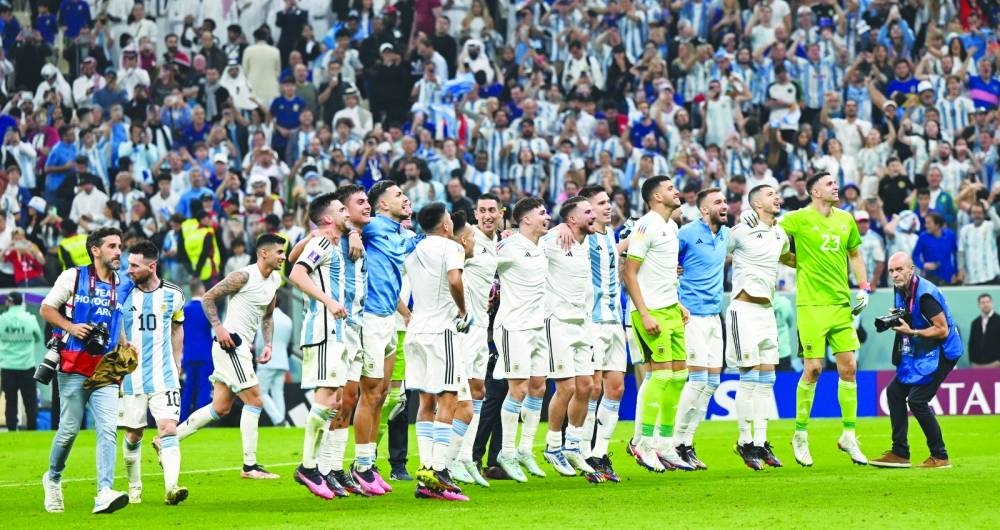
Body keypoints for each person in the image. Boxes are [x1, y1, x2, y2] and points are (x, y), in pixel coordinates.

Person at [747, 171, 871, 467]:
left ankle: (849, 436)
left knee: (849, 367)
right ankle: (800, 434)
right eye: (829, 183)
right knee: (813, 369)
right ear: (815, 191)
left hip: (840, 304)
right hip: (811, 305)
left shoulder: (845, 219)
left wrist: (863, 286)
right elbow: (772, 238)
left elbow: (854, 253)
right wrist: (794, 257)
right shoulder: (798, 218)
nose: (835, 186)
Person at [175, 233, 286, 480]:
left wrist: (267, 343)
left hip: (244, 347)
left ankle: (168, 440)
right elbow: (208, 297)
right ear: (264, 253)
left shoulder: (274, 279)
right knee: (255, 401)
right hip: (230, 345)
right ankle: (250, 466)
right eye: (279, 252)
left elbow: (267, 316)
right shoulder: (243, 276)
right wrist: (219, 327)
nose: (283, 257)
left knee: (220, 407)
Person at [40, 227, 130, 514]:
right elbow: (46, 309)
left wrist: (126, 345)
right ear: (96, 250)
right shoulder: (73, 276)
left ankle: (104, 491)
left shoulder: (121, 283)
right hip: (73, 366)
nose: (119, 251)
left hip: (104, 370)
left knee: (108, 430)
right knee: (68, 431)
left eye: (120, 246)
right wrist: (71, 327)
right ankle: (52, 479)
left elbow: (118, 319)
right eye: (113, 246)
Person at [351, 181, 418, 495]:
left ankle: (366, 464)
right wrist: (353, 232)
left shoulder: (396, 232)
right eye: (398, 195)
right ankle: (359, 466)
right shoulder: (373, 225)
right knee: (368, 393)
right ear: (381, 205)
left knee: (381, 395)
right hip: (371, 317)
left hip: (390, 318)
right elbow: (346, 224)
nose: (405, 198)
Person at [622, 176, 693, 472]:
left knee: (679, 377)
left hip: (670, 310)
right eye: (669, 188)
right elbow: (630, 272)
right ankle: (643, 444)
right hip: (649, 313)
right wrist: (645, 313)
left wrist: (677, 303)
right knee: (661, 377)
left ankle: (665, 444)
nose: (676, 192)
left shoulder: (671, 226)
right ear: (655, 197)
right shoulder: (646, 225)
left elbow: (659, 272)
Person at [406, 203, 474, 501]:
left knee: (425, 402)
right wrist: (463, 310)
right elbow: (455, 280)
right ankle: (439, 469)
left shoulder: (414, 249)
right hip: (441, 331)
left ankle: (425, 472)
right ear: (446, 225)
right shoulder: (451, 247)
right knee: (449, 399)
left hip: (415, 330)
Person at [870, 252, 963, 469]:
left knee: (917, 400)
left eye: (899, 269)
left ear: (912, 269)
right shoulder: (901, 288)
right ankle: (900, 452)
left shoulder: (925, 295)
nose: (894, 274)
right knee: (894, 393)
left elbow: (942, 330)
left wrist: (911, 331)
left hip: (943, 350)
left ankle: (940, 456)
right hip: (920, 349)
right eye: (891, 270)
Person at [286, 192, 350, 500]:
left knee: (334, 401)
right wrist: (329, 301)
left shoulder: (331, 242)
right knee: (326, 399)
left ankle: (318, 469)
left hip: (335, 329)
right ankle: (308, 466)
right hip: (323, 328)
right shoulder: (323, 242)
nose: (346, 212)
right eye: (341, 209)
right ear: (327, 218)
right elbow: (296, 273)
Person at [728, 185, 795, 470]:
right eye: (770, 195)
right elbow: (720, 249)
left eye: (777, 194)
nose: (777, 197)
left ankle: (761, 441)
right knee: (748, 377)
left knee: (767, 379)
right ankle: (745, 442)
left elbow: (789, 258)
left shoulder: (780, 234)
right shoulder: (742, 230)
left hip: (767, 311)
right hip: (743, 310)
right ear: (756, 203)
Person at [117, 241, 188, 505]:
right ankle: (134, 486)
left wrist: (177, 361)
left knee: (168, 428)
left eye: (134, 265)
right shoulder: (123, 295)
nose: (129, 270)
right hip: (132, 377)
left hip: (165, 376)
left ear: (151, 266)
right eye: (128, 264)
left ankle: (172, 487)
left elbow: (177, 328)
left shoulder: (174, 294)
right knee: (133, 434)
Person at [539, 197, 600, 480]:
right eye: (587, 211)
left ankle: (574, 444)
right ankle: (553, 445)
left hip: (582, 323)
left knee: (586, 386)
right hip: (558, 323)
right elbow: (524, 238)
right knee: (565, 388)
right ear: (572, 219)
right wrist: (557, 225)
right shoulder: (553, 238)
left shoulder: (588, 242)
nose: (594, 214)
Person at [494, 196, 552, 483]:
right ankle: (505, 452)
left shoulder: (545, 244)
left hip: (538, 326)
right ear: (526, 219)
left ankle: (525, 449)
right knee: (517, 389)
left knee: (538, 387)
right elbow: (478, 264)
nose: (548, 217)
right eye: (542, 213)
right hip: (513, 326)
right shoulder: (509, 246)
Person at [671, 187, 729, 471]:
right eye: (718, 202)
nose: (724, 205)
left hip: (714, 317)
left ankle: (687, 442)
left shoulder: (726, 235)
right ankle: (675, 443)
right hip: (690, 316)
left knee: (712, 383)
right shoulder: (686, 233)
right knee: (696, 381)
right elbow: (664, 263)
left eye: (725, 201)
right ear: (704, 209)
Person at [577, 185, 628, 481]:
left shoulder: (609, 234)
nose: (608, 206)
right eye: (601, 203)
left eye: (609, 201)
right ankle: (584, 453)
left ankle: (600, 451)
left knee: (616, 388)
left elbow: (615, 256)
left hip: (614, 321)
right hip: (593, 321)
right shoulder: (578, 236)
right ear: (586, 209)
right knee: (593, 387)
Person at [452, 192, 500, 487]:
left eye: (492, 210)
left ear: (500, 212)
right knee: (463, 393)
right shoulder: (466, 239)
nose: (487, 215)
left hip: (483, 327)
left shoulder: (498, 243)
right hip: (466, 327)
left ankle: (467, 457)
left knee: (479, 389)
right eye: (481, 210)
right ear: (475, 213)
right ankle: (451, 459)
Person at [0, 291, 43, 431]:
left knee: (10, 401)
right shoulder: (30, 318)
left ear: (9, 302)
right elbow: (37, 337)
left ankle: (12, 430)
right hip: (27, 366)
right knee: (30, 402)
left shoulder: (2, 319)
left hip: (8, 366)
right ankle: (32, 431)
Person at [180, 280, 213, 420]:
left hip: (188, 354)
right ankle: (200, 419)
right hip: (205, 354)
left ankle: (182, 418)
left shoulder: (184, 310)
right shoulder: (208, 309)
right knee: (204, 386)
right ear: (202, 290)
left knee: (188, 387)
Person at [256, 304, 292, 427]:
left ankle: (278, 420)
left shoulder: (265, 318)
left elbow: (260, 341)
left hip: (267, 360)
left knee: (260, 392)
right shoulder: (287, 319)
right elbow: (288, 342)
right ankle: (281, 423)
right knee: (278, 393)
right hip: (282, 360)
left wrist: (257, 355)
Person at [968, 293, 1000, 368]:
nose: (985, 304)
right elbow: (971, 343)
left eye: (987, 302)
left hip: (996, 364)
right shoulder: (975, 323)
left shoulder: (999, 320)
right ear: (979, 305)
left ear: (992, 303)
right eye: (983, 302)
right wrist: (972, 361)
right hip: (977, 365)